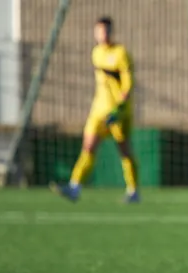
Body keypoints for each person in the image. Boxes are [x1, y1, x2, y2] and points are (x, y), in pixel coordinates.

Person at [54, 16, 139, 203]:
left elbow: (127, 84)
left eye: (106, 30)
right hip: (98, 110)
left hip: (117, 111)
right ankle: (75, 187)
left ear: (111, 31)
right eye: (99, 31)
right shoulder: (96, 53)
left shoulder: (120, 53)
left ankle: (133, 190)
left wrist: (121, 106)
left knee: (124, 150)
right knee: (88, 146)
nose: (103, 34)